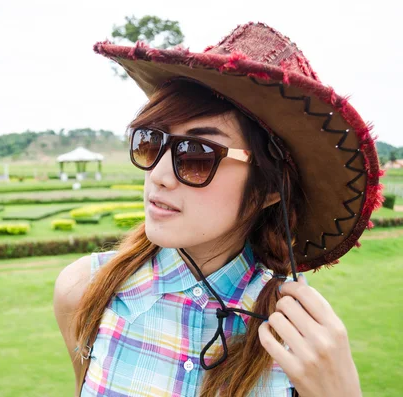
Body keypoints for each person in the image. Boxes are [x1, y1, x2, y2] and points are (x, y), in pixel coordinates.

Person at [54, 22, 382, 397]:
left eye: (196, 155)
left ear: (270, 188)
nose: (158, 175)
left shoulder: (301, 342)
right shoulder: (85, 292)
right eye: (151, 142)